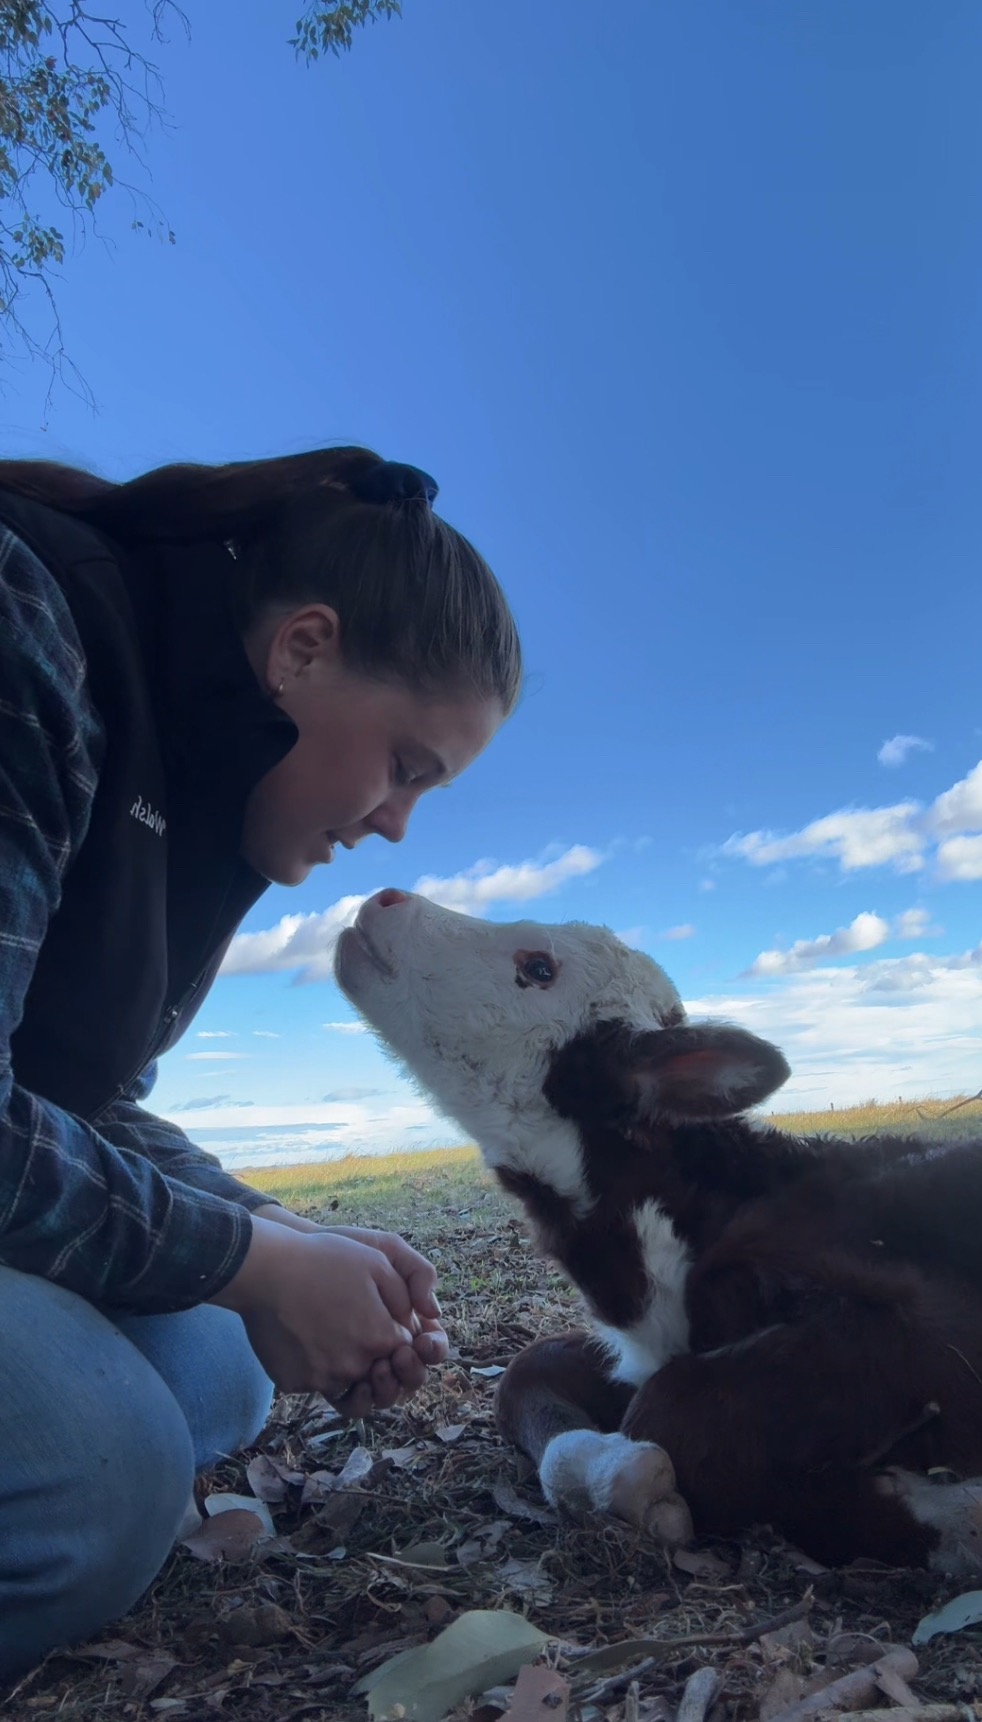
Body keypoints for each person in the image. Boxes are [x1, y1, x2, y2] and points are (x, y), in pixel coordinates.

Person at [0, 446, 522, 1682]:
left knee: (218, 1362)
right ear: (300, 651)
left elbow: (86, 1099)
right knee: (100, 1484)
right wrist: (253, 1259)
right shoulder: (32, 633)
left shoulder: (198, 791)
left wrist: (278, 1233)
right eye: (405, 765)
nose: (398, 823)